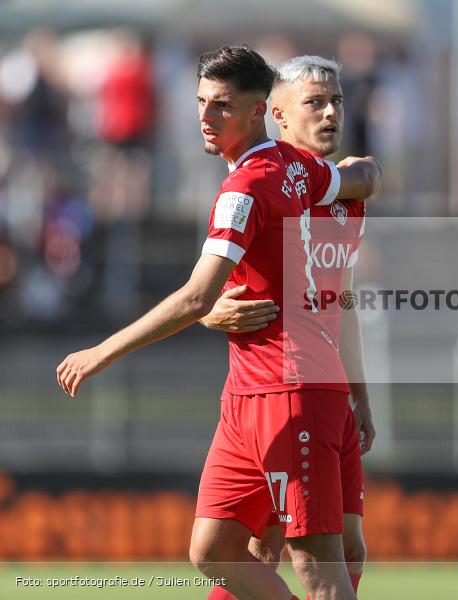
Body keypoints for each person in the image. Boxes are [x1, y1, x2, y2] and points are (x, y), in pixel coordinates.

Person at [56, 45, 380, 600]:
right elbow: (358, 177)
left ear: (258, 112)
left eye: (221, 105)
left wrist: (101, 351)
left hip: (288, 387)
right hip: (250, 391)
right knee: (215, 550)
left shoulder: (245, 188)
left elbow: (195, 296)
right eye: (202, 102)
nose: (206, 116)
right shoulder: (297, 170)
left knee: (316, 563)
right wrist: (363, 174)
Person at [202, 55, 374, 600]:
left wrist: (361, 394)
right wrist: (208, 312)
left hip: (324, 387)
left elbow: (343, 300)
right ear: (275, 114)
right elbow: (207, 287)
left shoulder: (344, 197)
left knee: (348, 548)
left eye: (336, 102)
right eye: (314, 103)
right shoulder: (265, 184)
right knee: (267, 550)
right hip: (279, 389)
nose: (330, 114)